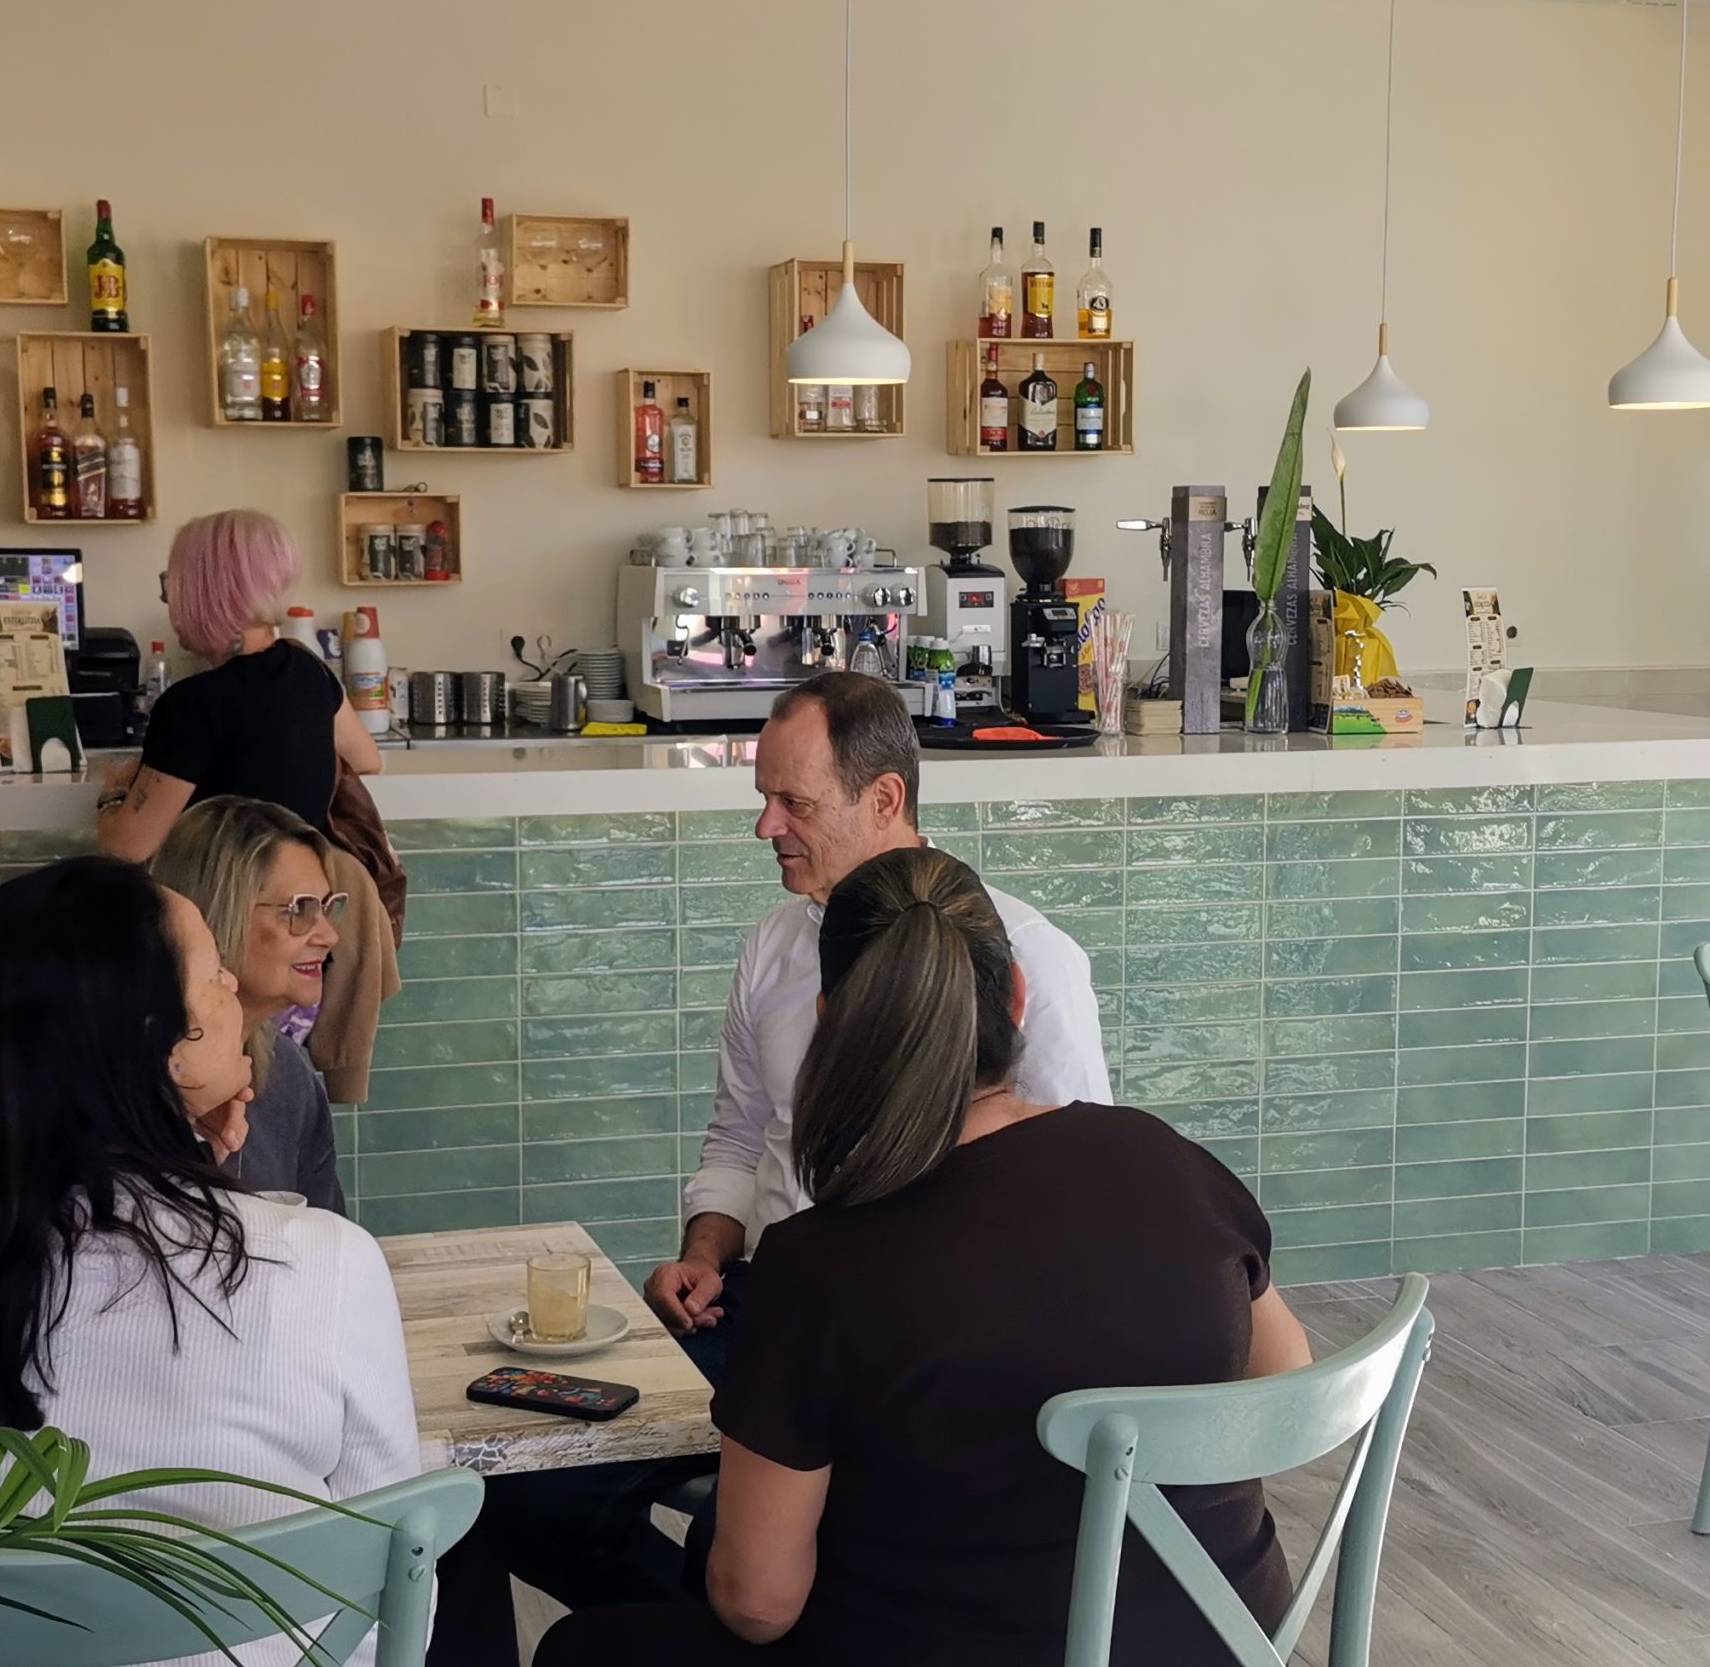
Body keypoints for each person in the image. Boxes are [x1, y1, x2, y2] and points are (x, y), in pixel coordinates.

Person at [535, 848, 1310, 1666]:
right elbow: (1283, 1380)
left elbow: (757, 1604)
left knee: (582, 1646)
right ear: (1017, 996)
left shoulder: (818, 1261)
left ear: (830, 1020)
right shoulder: (1167, 1159)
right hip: (1230, 1642)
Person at [0, 857, 419, 1664]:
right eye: (211, 972)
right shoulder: (322, 1262)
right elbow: (393, 1564)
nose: (231, 982)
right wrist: (202, 1183)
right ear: (161, 1041)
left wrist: (186, 1166)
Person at [643, 673, 1113, 1384]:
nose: (766, 826)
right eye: (765, 799)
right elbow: (740, 1136)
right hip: (766, 1302)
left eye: (795, 803)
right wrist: (704, 1256)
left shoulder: (1024, 951)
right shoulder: (773, 945)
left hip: (935, 1337)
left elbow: (1077, 1178)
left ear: (886, 799)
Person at [98, 509, 382, 862]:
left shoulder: (192, 704)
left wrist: (112, 796)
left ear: (207, 595)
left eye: (173, 586)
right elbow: (367, 760)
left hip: (220, 896)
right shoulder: (309, 669)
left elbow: (127, 846)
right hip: (308, 892)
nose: (168, 601)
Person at [152, 797, 349, 1212]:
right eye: (299, 909)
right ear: (215, 914)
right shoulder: (124, 1088)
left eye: (328, 908)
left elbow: (327, 1234)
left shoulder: (289, 1075)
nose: (328, 936)